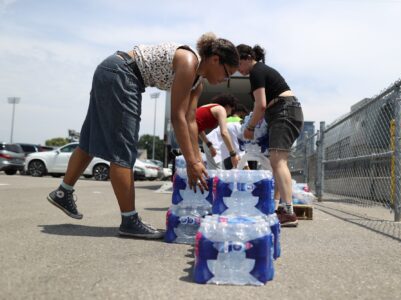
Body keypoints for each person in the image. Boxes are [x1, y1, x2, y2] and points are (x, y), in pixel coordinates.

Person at [46, 33, 239, 239]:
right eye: (226, 74)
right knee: (123, 150)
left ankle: (63, 192)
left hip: (112, 70)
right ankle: (129, 220)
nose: (224, 80)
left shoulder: (197, 83)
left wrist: (198, 159)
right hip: (122, 73)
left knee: (90, 141)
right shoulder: (189, 61)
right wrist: (191, 162)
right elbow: (177, 117)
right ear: (216, 59)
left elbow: (191, 121)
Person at [237, 44, 303, 227]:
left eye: (238, 63)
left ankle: (288, 212)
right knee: (277, 161)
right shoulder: (259, 70)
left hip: (284, 111)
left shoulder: (256, 71)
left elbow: (261, 105)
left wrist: (249, 128)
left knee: (277, 161)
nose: (237, 69)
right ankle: (282, 208)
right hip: (284, 112)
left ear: (247, 58)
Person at [196, 94, 241, 169]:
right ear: (227, 106)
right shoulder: (221, 109)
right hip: (189, 132)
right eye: (231, 110)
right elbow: (224, 133)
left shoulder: (211, 107)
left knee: (199, 166)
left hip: (188, 130)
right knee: (198, 166)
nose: (229, 114)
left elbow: (199, 128)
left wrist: (209, 145)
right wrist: (233, 154)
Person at [205, 103, 249, 170]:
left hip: (209, 142)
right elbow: (240, 150)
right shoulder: (240, 124)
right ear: (241, 113)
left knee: (217, 171)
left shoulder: (225, 120)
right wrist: (247, 169)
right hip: (214, 146)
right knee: (217, 175)